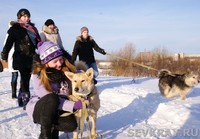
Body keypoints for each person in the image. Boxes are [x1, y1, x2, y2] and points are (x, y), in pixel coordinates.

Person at [26, 41, 82, 139]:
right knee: (52, 98)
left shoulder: (67, 70)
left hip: (58, 109)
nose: (59, 63)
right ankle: (45, 136)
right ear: (46, 63)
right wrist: (72, 105)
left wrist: (88, 80)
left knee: (71, 125)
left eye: (61, 59)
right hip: (41, 108)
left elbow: (79, 74)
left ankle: (53, 133)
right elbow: (46, 97)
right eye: (55, 61)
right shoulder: (38, 75)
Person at [1, 8, 41, 107]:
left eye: (28, 16)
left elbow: (39, 43)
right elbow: (8, 43)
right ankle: (25, 100)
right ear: (19, 17)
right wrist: (4, 55)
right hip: (20, 57)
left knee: (26, 79)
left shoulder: (33, 29)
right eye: (24, 16)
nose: (26, 18)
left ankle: (21, 98)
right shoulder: (15, 28)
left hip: (31, 58)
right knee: (24, 79)